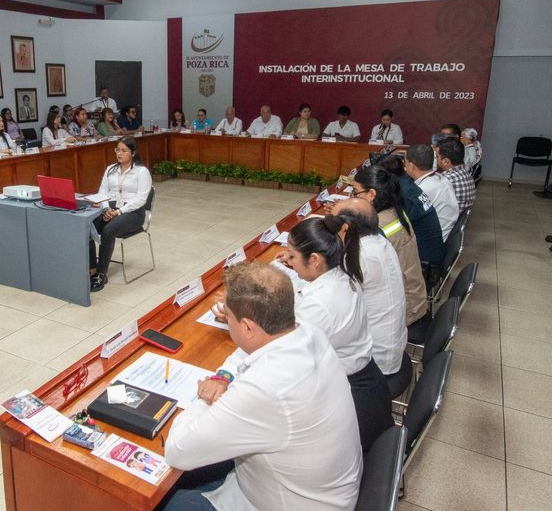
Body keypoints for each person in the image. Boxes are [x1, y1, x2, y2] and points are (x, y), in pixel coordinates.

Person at [163, 263, 362, 511]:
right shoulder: (310, 334)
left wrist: (203, 397)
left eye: (228, 316)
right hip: (314, 489)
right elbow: (246, 352)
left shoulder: (266, 387)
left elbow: (178, 451)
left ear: (247, 327)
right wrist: (223, 376)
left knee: (165, 500)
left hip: (284, 503)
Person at [276, 216, 395, 451]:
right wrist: (295, 264)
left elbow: (282, 356)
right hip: (369, 385)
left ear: (315, 260)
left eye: (292, 256)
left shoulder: (319, 304)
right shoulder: (343, 274)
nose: (288, 261)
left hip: (354, 403)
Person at [332, 198, 410, 398]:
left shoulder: (358, 256)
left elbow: (333, 305)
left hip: (375, 362)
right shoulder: (379, 242)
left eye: (331, 222)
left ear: (345, 228)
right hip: (392, 346)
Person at [353, 165, 427, 330]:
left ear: (371, 194)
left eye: (355, 192)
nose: (353, 198)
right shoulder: (394, 210)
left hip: (405, 309)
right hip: (414, 296)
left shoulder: (378, 228)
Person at [89, 136, 152, 292]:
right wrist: (106, 209)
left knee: (108, 230)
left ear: (133, 153)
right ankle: (91, 269)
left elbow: (141, 199)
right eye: (117, 150)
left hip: (133, 213)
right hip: (110, 209)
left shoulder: (141, 171)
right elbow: (102, 192)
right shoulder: (110, 169)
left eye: (124, 150)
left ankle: (101, 273)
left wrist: (118, 212)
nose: (119, 153)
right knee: (87, 226)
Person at [404, 144, 459, 240]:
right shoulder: (441, 178)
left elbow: (408, 220)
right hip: (448, 232)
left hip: (435, 239)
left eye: (405, 162)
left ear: (411, 166)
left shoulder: (422, 190)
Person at [437, 138, 476, 212]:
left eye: (437, 156)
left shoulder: (446, 181)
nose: (436, 159)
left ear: (445, 161)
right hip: (459, 216)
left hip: (447, 217)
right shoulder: (467, 175)